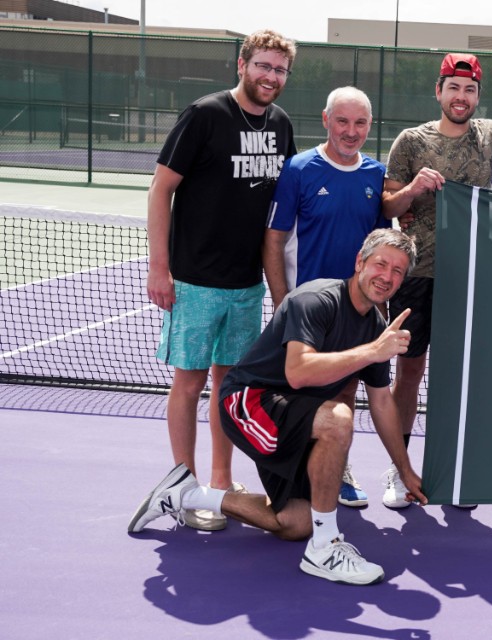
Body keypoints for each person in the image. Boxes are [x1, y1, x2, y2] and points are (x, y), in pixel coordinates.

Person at [130, 229, 429, 586]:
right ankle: (325, 548)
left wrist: (404, 468)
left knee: (295, 523)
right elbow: (298, 372)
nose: (388, 277)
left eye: (398, 271)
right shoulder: (316, 300)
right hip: (246, 402)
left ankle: (186, 494)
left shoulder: (374, 327)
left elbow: (381, 401)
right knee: (337, 419)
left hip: (292, 414)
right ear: (360, 262)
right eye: (381, 264)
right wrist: (372, 352)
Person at [145, 29, 297, 532]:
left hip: (246, 285)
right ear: (242, 64)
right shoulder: (205, 115)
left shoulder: (280, 125)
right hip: (194, 282)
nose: (271, 77)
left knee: (228, 387)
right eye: (264, 66)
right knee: (188, 384)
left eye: (279, 70)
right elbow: (160, 190)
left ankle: (219, 483)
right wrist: (158, 267)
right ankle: (182, 490)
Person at [263, 86, 390, 510]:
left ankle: (338, 467)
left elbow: (382, 246)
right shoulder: (299, 168)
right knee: (298, 391)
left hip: (354, 310)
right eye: (342, 121)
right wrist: (284, 302)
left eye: (359, 123)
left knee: (346, 389)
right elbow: (275, 239)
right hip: (308, 310)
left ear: (369, 126)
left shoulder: (376, 173)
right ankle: (291, 470)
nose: (350, 131)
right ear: (325, 119)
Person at [380, 53, 492, 510]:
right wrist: (411, 192)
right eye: (453, 87)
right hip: (415, 278)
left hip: (470, 277)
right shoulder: (410, 142)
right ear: (439, 91)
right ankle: (400, 468)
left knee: (462, 377)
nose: (461, 96)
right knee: (409, 373)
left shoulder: (491, 136)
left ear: (477, 96)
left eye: (469, 90)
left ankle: (457, 470)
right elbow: (387, 207)